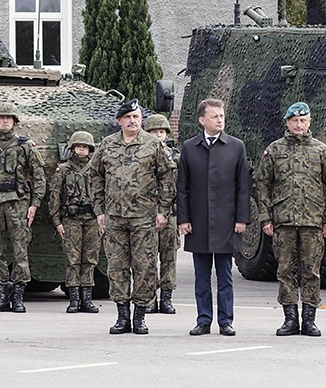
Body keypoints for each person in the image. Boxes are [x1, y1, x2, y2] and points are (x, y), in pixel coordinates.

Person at [89, 99, 175, 335]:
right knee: (117, 268)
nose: (132, 121)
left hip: (144, 218)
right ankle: (122, 316)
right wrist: (99, 210)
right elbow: (95, 177)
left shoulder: (153, 145)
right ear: (120, 121)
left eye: (136, 117)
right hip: (114, 218)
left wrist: (163, 210)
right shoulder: (107, 145)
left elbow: (167, 178)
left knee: (145, 267)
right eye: (128, 117)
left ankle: (140, 316)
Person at [256, 102, 326, 337]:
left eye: (303, 120)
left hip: (313, 222)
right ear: (287, 122)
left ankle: (309, 319)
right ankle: (290, 319)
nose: (299, 124)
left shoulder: (321, 151)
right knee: (285, 271)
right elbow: (262, 184)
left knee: (311, 272)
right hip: (283, 221)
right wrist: (265, 217)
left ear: (310, 122)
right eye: (294, 120)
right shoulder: (274, 150)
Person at [177, 98, 250, 337]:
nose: (220, 120)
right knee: (201, 277)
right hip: (198, 221)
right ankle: (203, 320)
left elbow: (243, 187)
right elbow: (183, 188)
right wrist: (183, 219)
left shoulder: (236, 146)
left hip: (226, 221)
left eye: (222, 116)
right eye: (214, 116)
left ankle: (226, 321)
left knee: (225, 276)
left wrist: (242, 218)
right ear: (202, 120)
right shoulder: (189, 147)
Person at [0, 102, 46, 313]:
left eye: (9, 118)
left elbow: (39, 177)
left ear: (15, 121)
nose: (5, 121)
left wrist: (34, 204)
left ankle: (19, 296)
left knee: (20, 250)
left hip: (18, 203)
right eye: (2, 117)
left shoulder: (25, 145)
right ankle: (1, 294)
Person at [49, 131, 101, 314]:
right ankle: (74, 299)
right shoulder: (63, 170)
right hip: (70, 219)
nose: (82, 149)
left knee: (90, 259)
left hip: (92, 219)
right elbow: (54, 196)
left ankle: (86, 298)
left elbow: (104, 194)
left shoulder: (96, 169)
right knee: (72, 259)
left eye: (85, 147)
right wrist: (57, 221)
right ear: (72, 148)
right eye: (79, 146)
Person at [142, 113, 179, 315]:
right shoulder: (141, 155)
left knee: (169, 257)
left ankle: (166, 297)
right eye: (155, 132)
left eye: (162, 131)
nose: (159, 135)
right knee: (147, 259)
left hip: (170, 214)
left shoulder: (176, 156)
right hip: (147, 214)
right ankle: (149, 298)